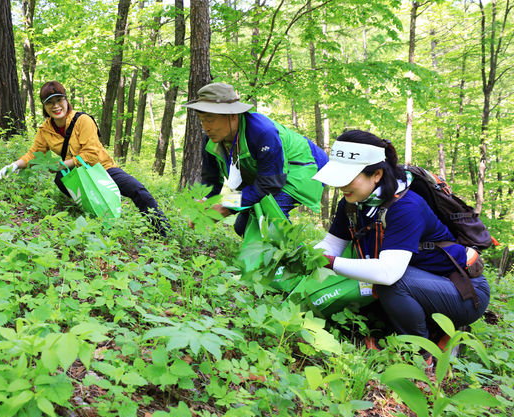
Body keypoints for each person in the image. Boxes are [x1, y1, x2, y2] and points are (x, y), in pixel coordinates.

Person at [313, 129, 489, 345]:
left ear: (377, 174)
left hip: (462, 292)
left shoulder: (406, 207)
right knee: (374, 286)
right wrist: (305, 256)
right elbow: (332, 244)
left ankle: (419, 350)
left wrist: (330, 263)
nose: (341, 186)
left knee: (391, 283)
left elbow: (388, 273)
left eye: (348, 178)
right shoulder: (352, 203)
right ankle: (412, 326)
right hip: (420, 281)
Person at [0, 81, 170, 235]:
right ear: (44, 106)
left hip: (102, 168)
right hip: (77, 174)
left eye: (59, 100)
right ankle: (94, 217)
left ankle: (162, 230)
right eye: (50, 103)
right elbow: (35, 154)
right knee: (61, 180)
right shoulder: (45, 129)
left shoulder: (83, 120)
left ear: (66, 101)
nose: (56, 106)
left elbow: (91, 155)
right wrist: (15, 165)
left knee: (137, 190)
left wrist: (63, 164)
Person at [183, 82, 328, 236]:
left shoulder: (263, 133)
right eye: (202, 120)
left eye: (210, 120)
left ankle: (298, 257)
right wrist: (205, 201)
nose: (206, 127)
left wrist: (226, 206)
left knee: (268, 222)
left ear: (232, 115)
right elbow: (211, 179)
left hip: (304, 168)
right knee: (243, 228)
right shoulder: (211, 141)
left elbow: (270, 184)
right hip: (271, 178)